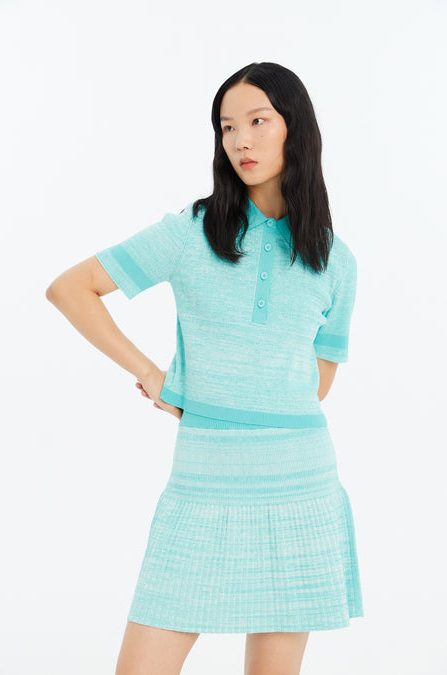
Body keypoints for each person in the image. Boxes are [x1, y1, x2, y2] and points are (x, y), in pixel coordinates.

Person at [46, 61, 364, 675]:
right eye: (227, 126)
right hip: (203, 482)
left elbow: (321, 377)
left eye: (257, 121)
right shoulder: (189, 233)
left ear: (295, 128)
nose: (240, 140)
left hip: (300, 486)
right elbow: (70, 289)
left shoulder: (335, 259)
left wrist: (260, 387)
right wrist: (152, 374)